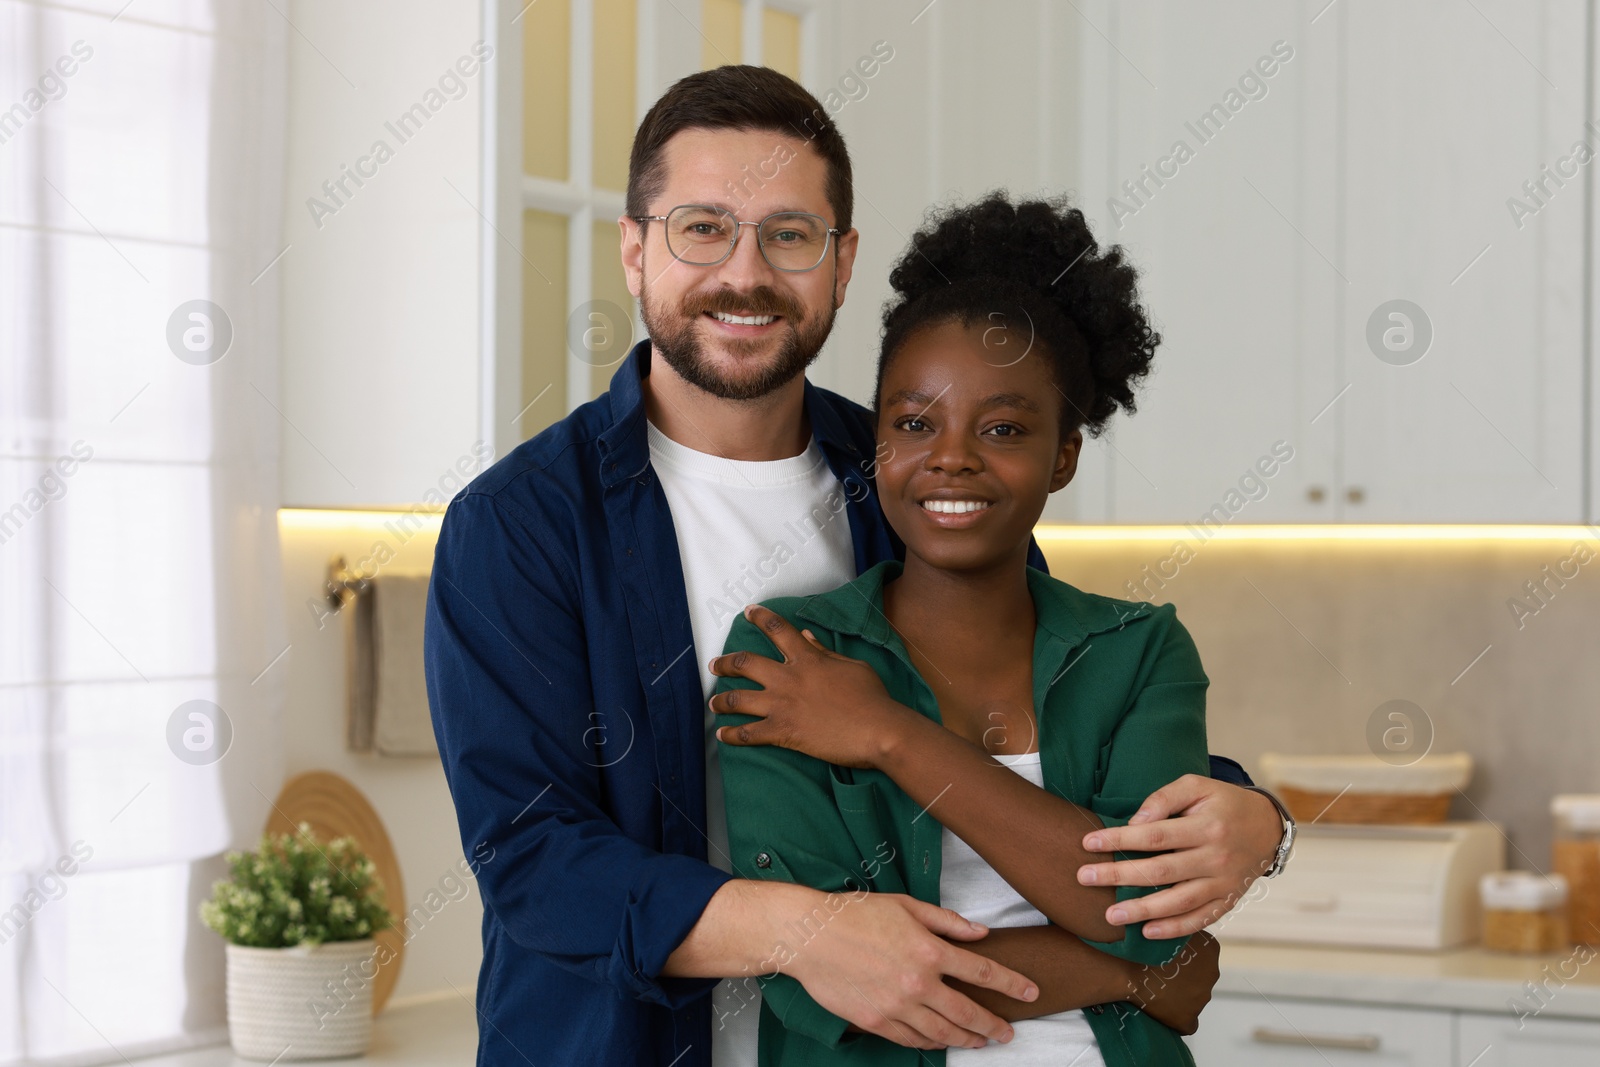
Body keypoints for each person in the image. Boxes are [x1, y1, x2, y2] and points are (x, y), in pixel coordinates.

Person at [424, 65, 1292, 1067]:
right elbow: (535, 862)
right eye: (701, 227)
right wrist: (810, 934)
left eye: (786, 234)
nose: (743, 273)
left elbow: (1060, 723)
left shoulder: (913, 477)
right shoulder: (521, 524)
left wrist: (1251, 811)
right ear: (634, 250)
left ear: (840, 263)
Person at [710, 194, 1216, 1067]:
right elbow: (829, 977)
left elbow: (1136, 906)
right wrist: (1130, 973)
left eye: (1005, 427)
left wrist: (887, 733)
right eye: (914, 423)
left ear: (1063, 454)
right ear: (878, 443)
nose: (952, 456)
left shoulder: (1140, 650)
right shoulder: (789, 658)